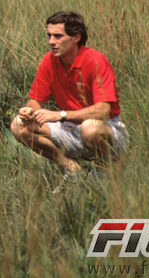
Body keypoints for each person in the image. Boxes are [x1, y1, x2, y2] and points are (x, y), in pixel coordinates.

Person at [10, 11, 128, 175]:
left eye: (58, 36)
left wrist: (61, 115)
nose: (52, 42)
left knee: (90, 127)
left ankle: (106, 170)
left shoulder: (96, 60)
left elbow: (103, 111)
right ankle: (73, 170)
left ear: (76, 37)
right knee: (18, 125)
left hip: (108, 131)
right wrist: (29, 110)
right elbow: (35, 100)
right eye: (49, 36)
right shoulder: (49, 61)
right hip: (70, 129)